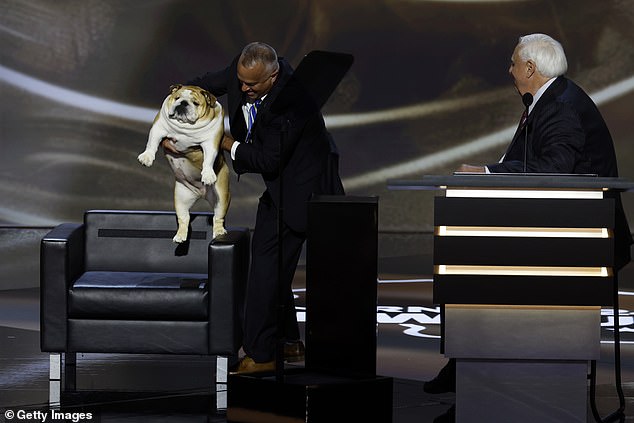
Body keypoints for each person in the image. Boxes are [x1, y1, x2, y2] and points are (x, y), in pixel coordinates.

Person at [426, 33, 633, 421]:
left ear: (531, 68)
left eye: (513, 63)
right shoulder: (549, 101)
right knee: (476, 267)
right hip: (555, 233)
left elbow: (554, 171)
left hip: (579, 241)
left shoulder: (562, 107)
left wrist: (486, 172)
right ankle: (468, 373)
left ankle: (477, 380)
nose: (509, 70)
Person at [164, 42, 345, 374]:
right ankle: (289, 342)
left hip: (307, 190)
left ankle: (262, 355)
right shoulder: (242, 72)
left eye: (252, 85)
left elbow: (266, 160)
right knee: (270, 267)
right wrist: (175, 112)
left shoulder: (290, 105)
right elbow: (201, 84)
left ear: (273, 76)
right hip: (282, 187)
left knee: (266, 270)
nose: (243, 89)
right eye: (241, 81)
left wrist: (226, 142)